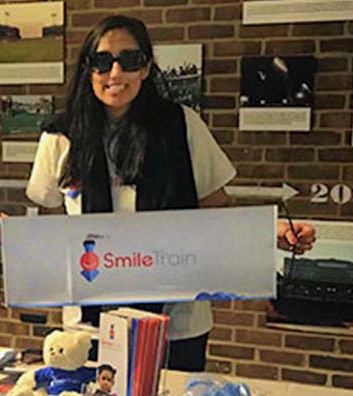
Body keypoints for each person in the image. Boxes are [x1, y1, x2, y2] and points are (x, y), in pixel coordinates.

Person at [20, 15, 315, 371]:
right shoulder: (60, 137)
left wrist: (271, 234)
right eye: (102, 61)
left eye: (129, 61)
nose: (115, 73)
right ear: (88, 69)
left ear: (145, 67)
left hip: (177, 319)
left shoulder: (181, 124)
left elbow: (215, 208)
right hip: (90, 324)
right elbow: (50, 221)